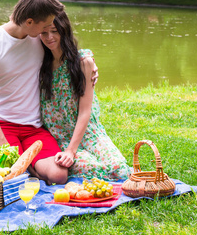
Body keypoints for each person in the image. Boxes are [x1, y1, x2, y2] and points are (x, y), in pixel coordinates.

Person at [0, 0, 98, 185]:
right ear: (30, 22)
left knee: (59, 175)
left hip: (35, 128)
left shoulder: (38, 39)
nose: (48, 30)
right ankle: (28, 170)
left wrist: (89, 62)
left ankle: (30, 168)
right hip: (2, 126)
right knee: (11, 179)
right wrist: (3, 146)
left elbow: (68, 53)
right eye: (45, 25)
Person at [39, 11, 131, 180]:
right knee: (94, 169)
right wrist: (68, 151)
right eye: (44, 33)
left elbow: (84, 111)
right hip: (61, 137)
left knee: (120, 170)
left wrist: (71, 151)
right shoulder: (40, 65)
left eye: (54, 31)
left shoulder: (83, 62)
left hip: (90, 134)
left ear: (64, 30)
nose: (49, 37)